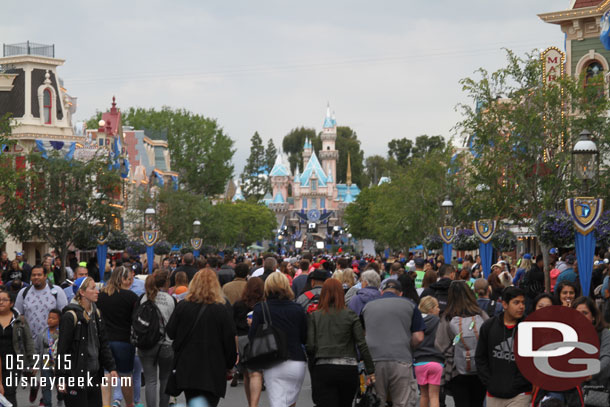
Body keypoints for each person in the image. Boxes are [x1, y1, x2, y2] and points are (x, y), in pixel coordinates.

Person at [166, 269, 237, 407]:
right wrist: (230, 364)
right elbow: (229, 340)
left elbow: (170, 332)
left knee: (192, 401)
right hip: (213, 367)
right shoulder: (222, 308)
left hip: (188, 366)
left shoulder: (183, 306)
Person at [306, 278, 375, 407]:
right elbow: (361, 344)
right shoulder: (350, 315)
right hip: (347, 368)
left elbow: (310, 346)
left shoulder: (315, 316)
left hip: (323, 368)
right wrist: (370, 370)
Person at [362, 279, 425, 407]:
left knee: (376, 401)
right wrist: (408, 346)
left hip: (374, 360)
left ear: (381, 291)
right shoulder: (410, 305)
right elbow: (418, 337)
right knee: (403, 402)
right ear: (400, 293)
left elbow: (362, 334)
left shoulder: (367, 306)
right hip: (401, 359)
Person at [57, 276, 118, 407]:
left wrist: (111, 367)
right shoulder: (70, 316)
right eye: (92, 288)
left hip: (94, 376)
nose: (97, 291)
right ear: (82, 292)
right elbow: (62, 350)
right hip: (76, 377)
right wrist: (61, 378)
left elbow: (102, 343)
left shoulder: (96, 313)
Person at [250, 272, 307, 407]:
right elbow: (304, 337)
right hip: (296, 362)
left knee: (278, 402)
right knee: (290, 401)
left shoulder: (261, 308)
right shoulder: (298, 309)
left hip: (273, 360)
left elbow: (252, 337)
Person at [434, 280, 488, 407]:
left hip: (456, 370)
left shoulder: (448, 317)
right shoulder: (480, 314)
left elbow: (440, 343)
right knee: (478, 403)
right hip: (479, 368)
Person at [475, 286, 531, 407]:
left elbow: (533, 361)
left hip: (520, 394)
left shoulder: (529, 328)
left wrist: (521, 383)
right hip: (494, 393)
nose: (521, 306)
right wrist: (489, 382)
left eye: (523, 302)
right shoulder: (488, 326)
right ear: (505, 305)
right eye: (516, 302)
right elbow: (480, 357)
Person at [96, 266, 139, 407]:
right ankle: (129, 404)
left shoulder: (101, 295)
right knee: (126, 376)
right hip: (124, 341)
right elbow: (136, 320)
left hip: (104, 341)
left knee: (106, 375)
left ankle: (105, 403)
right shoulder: (131, 297)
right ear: (123, 279)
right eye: (129, 279)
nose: (130, 282)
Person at [138, 270, 175, 407]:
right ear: (166, 282)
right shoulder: (170, 299)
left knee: (150, 381)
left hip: (146, 344)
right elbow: (173, 323)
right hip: (166, 344)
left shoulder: (143, 298)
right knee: (165, 379)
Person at [14, 265, 68, 341]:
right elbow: (17, 315)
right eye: (33, 275)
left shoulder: (57, 291)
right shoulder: (23, 293)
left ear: (45, 276)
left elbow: (64, 315)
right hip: (29, 342)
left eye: (39, 275)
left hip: (51, 341)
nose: (36, 277)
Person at [0, 289, 35, 406]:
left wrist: (32, 362)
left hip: (13, 361)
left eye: (5, 300)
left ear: (11, 303)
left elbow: (28, 341)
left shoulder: (20, 320)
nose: (1, 302)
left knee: (9, 391)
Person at [233, 278, 264, 406]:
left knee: (246, 374)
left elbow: (232, 325)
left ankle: (250, 402)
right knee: (256, 373)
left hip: (241, 340)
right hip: (258, 339)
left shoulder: (238, 304)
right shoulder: (263, 304)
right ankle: (254, 404)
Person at [414, 296, 444, 407]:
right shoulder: (438, 321)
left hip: (420, 362)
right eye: (437, 307)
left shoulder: (416, 321)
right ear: (431, 309)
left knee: (424, 395)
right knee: (434, 396)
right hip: (436, 362)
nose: (439, 309)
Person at [35, 309, 61, 407]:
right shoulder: (43, 333)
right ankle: (47, 403)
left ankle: (61, 397)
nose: (50, 320)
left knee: (60, 384)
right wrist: (35, 364)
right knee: (46, 384)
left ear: (59, 320)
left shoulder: (62, 332)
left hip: (58, 361)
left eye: (53, 318)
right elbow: (37, 348)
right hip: (46, 360)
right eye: (49, 317)